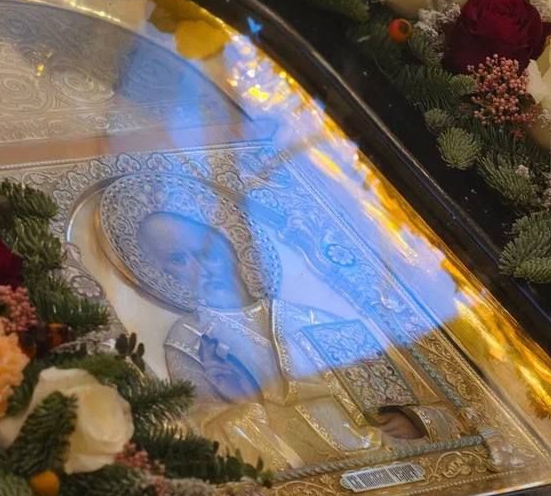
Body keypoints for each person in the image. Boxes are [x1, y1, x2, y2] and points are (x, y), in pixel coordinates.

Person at [98, 173, 465, 470]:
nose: (198, 268)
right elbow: (210, 434)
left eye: (205, 250)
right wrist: (246, 399)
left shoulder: (312, 317)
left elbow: (421, 407)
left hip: (385, 460)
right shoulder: (190, 340)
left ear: (230, 245)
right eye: (178, 260)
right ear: (162, 272)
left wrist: (411, 420)